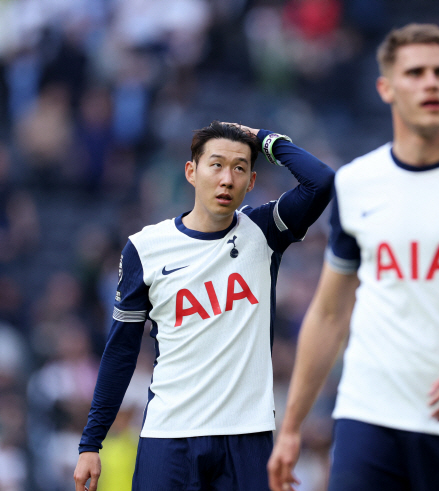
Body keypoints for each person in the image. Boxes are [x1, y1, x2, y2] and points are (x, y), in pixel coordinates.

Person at [267, 23, 439, 491]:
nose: (431, 83)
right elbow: (330, 310)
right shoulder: (357, 182)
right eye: (415, 72)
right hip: (369, 413)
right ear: (386, 87)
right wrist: (293, 425)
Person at [73, 121, 335, 491]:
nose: (227, 178)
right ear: (191, 172)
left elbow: (320, 181)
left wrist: (264, 138)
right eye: (216, 165)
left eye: (240, 168)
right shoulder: (145, 249)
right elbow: (120, 351)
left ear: (252, 182)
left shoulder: (263, 232)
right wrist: (91, 442)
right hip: (170, 435)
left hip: (248, 434)